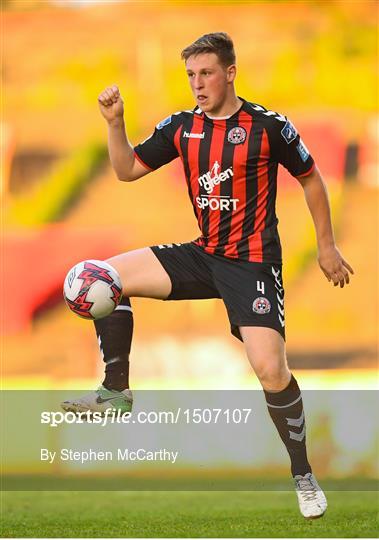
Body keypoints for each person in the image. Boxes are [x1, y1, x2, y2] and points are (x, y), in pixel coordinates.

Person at [62, 32, 354, 518]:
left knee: (270, 370)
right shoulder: (183, 127)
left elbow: (311, 178)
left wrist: (326, 246)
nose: (197, 85)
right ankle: (115, 390)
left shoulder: (267, 127)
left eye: (206, 73)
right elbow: (126, 170)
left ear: (230, 72)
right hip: (204, 254)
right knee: (99, 276)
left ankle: (302, 473)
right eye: (191, 75)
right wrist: (116, 124)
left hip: (253, 263)